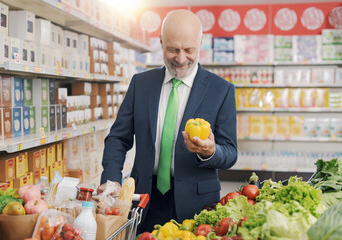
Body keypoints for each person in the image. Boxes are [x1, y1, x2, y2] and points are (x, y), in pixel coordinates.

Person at [97, 9, 237, 233]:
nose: (181, 59)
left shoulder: (221, 90)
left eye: (189, 50)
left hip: (198, 204)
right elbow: (118, 138)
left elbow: (230, 152)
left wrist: (210, 151)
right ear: (161, 42)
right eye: (173, 50)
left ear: (200, 43)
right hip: (144, 198)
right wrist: (112, 178)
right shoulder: (141, 84)